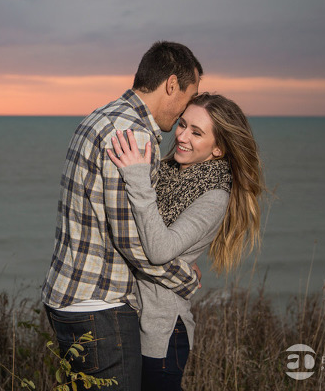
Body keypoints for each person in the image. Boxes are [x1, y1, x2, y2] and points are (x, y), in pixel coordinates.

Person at [42, 41, 204, 391]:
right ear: (171, 85)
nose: (186, 110)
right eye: (189, 97)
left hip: (69, 298)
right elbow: (133, 241)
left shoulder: (101, 116)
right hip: (100, 306)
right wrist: (184, 277)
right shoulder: (134, 135)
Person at [107, 92, 265, 390]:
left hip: (162, 332)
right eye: (182, 124)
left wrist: (137, 180)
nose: (181, 136)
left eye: (196, 132)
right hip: (134, 319)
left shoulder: (214, 196)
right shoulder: (166, 171)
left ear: (218, 149)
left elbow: (159, 250)